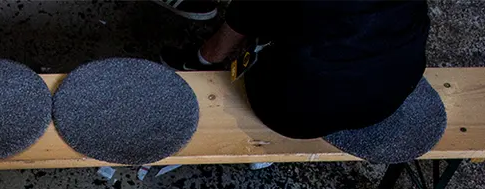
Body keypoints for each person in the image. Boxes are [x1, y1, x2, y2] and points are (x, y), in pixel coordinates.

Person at [164, 1, 443, 163]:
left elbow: (243, 19)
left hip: (293, 112)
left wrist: (205, 58)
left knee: (262, 20)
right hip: (389, 95)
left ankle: (260, 146)